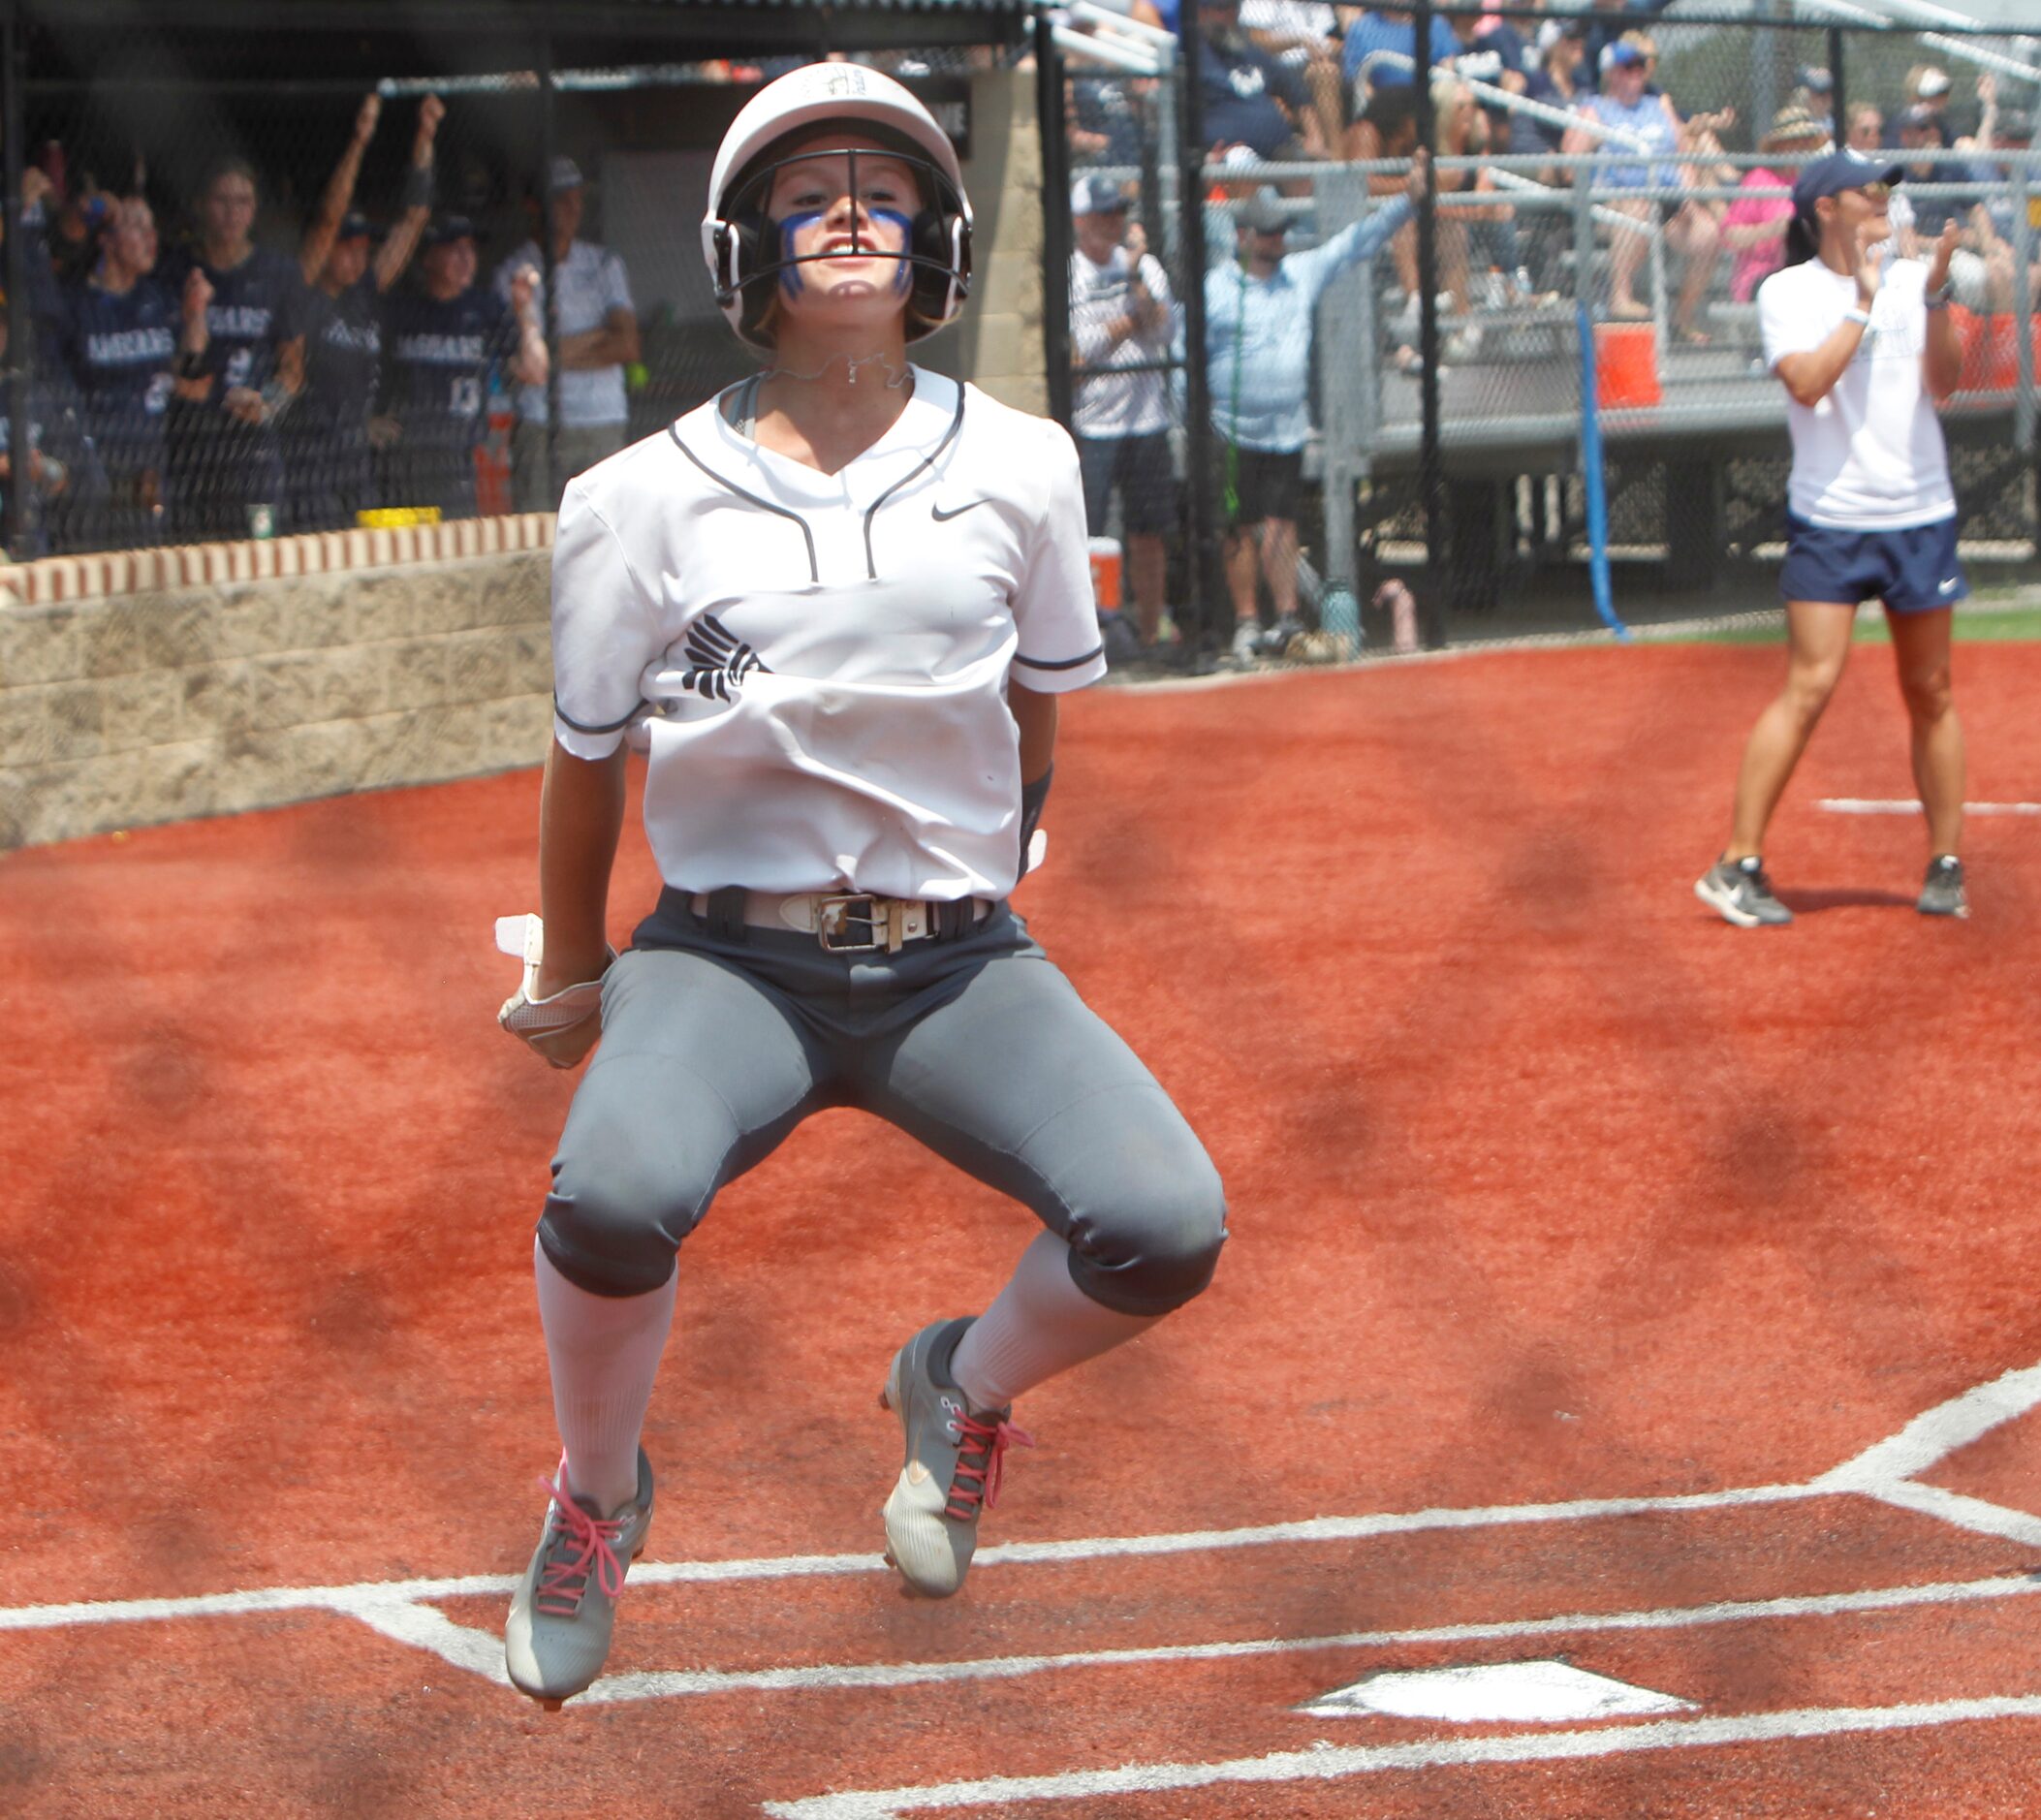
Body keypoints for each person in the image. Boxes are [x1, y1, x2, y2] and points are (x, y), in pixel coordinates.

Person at [496, 61, 1227, 1710]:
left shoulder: (1029, 462)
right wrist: (568, 971)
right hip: (726, 961)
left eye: (882, 186)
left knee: (1166, 1225)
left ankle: (958, 1387)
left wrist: (988, 859)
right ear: (743, 240)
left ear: (934, 241)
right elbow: (584, 757)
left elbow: (1037, 707)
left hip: (957, 961)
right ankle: (596, 1496)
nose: (845, 206)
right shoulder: (631, 500)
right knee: (606, 1195)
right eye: (807, 184)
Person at [1696, 151, 1970, 927]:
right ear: (1824, 208)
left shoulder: (1915, 281)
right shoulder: (1785, 292)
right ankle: (1736, 861)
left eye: (1889, 189)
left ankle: (1946, 862)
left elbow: (1944, 382)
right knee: (1811, 685)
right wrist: (1862, 303)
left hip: (1920, 511)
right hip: (1832, 519)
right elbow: (1810, 384)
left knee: (1933, 690)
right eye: (1870, 190)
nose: (1886, 200)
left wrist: (1939, 294)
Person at [1206, 165, 1420, 664]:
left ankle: (1285, 619)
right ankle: (1245, 623)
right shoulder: (1218, 286)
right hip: (1231, 429)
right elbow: (1182, 342)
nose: (1278, 238)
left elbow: (1356, 243)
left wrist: (1407, 200)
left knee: (1281, 523)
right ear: (1243, 236)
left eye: (1281, 230)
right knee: (1238, 528)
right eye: (1267, 231)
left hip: (1285, 428)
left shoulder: (1300, 274)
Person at [287, 92, 440, 530]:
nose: (357, 257)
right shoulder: (304, 292)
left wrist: (425, 137)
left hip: (356, 459)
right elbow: (328, 220)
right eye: (346, 247)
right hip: (309, 455)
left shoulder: (366, 293)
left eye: (362, 248)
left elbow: (413, 220)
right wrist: (358, 142)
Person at [161, 157, 307, 542]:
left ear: (255, 208)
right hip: (191, 436)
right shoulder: (175, 270)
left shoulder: (279, 274)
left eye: (243, 201)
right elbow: (163, 362)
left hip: (252, 441)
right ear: (200, 205)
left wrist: (268, 402)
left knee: (260, 551)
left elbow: (293, 367)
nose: (233, 212)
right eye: (222, 200)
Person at [374, 215, 546, 519]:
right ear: (428, 257)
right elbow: (366, 366)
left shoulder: (486, 309)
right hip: (402, 458)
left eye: (471, 250)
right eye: (455, 249)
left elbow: (536, 371)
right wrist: (370, 418)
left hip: (459, 461)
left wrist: (524, 309)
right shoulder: (401, 309)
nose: (467, 259)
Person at [1069, 173, 1177, 651]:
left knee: (1148, 533)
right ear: (1080, 220)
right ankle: (1088, 639)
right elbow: (1078, 353)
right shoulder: (1069, 273)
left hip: (1146, 421)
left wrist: (1133, 277)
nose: (1115, 222)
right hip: (1093, 425)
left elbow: (1162, 333)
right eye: (1104, 213)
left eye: (1119, 212)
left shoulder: (1144, 267)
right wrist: (1128, 321)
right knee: (1084, 538)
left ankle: (1151, 635)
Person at [496, 157, 640, 514]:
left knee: (610, 531)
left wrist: (551, 352)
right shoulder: (513, 272)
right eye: (560, 198)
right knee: (539, 533)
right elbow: (526, 359)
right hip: (540, 424)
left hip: (604, 419)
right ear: (533, 205)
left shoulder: (604, 262)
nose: (572, 208)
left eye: (576, 197)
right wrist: (596, 337)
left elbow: (627, 344)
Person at [1562, 35, 1726, 344]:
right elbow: (1571, 163)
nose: (1636, 72)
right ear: (1611, 73)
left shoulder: (1657, 106)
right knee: (1637, 207)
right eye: (1628, 66)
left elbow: (1682, 155)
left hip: (1666, 199)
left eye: (1640, 66)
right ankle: (1620, 296)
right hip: (1617, 200)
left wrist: (1688, 196)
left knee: (1707, 233)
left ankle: (1683, 316)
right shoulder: (1596, 110)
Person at [58, 196, 176, 548]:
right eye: (137, 227)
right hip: (97, 465)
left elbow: (182, 376)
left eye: (152, 227)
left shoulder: (162, 300)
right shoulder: (76, 304)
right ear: (106, 240)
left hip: (155, 460)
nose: (151, 238)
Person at [1723, 107, 1828, 304]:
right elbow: (1730, 235)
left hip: (1802, 271)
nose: (1802, 146)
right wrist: (1772, 229)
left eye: (1807, 140)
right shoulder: (1759, 180)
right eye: (1796, 140)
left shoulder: (1806, 182)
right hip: (1761, 275)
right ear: (1780, 145)